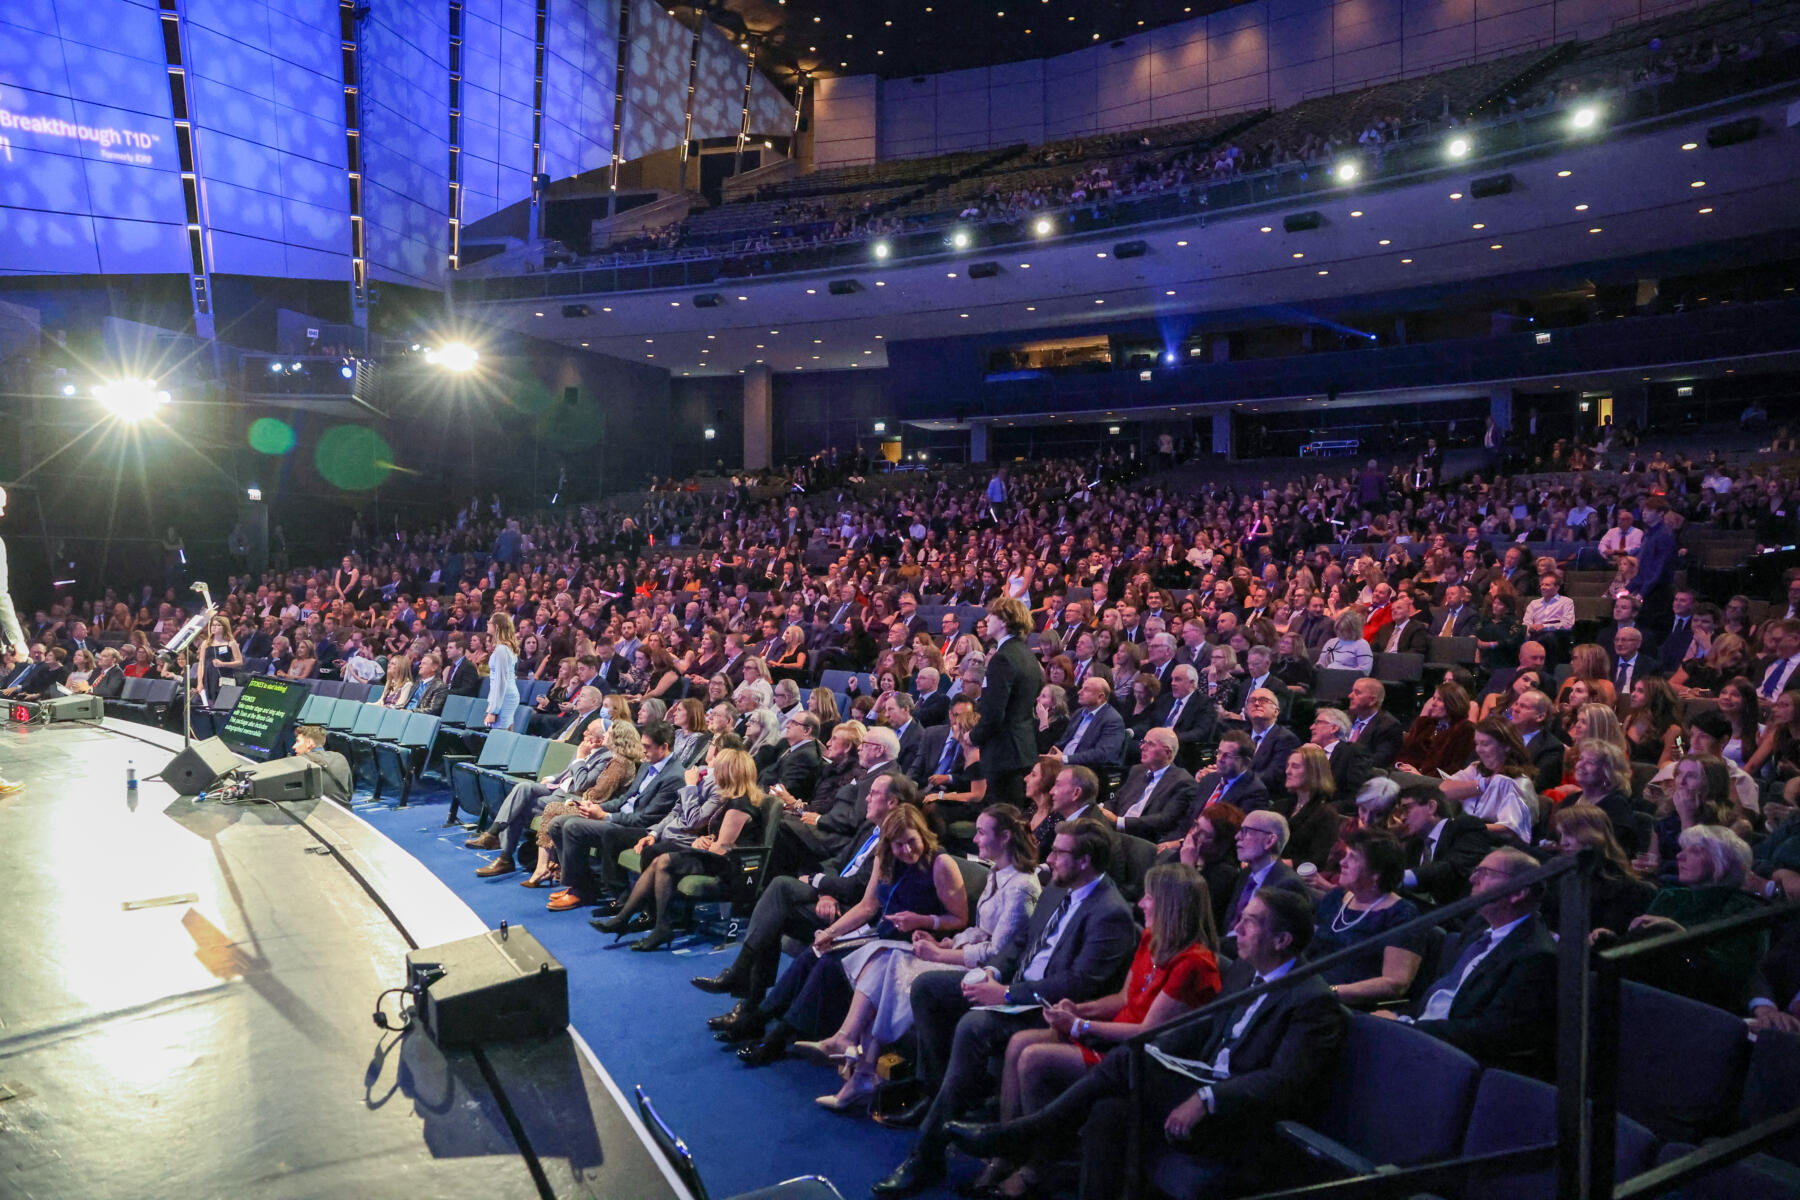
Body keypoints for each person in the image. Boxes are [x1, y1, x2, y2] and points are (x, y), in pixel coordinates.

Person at [935, 888, 1346, 1200]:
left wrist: (1206, 1098)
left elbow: (1282, 1083)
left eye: (1253, 921)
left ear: (1282, 940)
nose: (1237, 925)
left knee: (1119, 1065)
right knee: (1107, 1109)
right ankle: (1025, 1143)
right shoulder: (1244, 971)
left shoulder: (1312, 1000)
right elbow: (1198, 1029)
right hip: (1195, 1078)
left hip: (1237, 1113)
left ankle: (1019, 1136)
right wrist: (1152, 1048)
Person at [870, 819, 1137, 1194]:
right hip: (1012, 987)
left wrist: (1007, 995)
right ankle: (935, 1095)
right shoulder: (1056, 890)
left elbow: (1077, 985)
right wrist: (992, 974)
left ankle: (926, 1155)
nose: (1049, 857)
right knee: (928, 988)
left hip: (1043, 1007)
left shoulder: (1111, 913)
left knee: (973, 1027)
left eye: (1059, 852)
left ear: (1085, 861)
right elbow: (1019, 944)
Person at [972, 864, 1223, 1197]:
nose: (1141, 904)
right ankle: (1005, 1154)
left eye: (1149, 897)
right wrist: (1077, 1009)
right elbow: (1123, 998)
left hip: (1137, 1057)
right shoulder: (1152, 938)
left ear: (1170, 904)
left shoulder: (1193, 963)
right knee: (1018, 1043)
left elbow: (1146, 1031)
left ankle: (1036, 1167)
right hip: (1112, 1034)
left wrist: (1079, 1025)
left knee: (1035, 1057)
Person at [795, 805, 1042, 1107]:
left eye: (980, 832)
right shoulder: (998, 873)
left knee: (886, 958)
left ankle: (855, 1058)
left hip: (989, 974)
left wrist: (939, 947)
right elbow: (978, 932)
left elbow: (997, 954)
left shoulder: (1020, 887)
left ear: (1004, 837)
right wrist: (951, 943)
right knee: (883, 959)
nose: (974, 840)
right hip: (954, 951)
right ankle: (859, 1065)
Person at [745, 802, 970, 1074]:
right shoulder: (884, 858)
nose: (907, 851)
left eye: (911, 842)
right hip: (880, 936)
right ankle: (760, 1016)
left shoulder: (940, 863)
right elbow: (867, 907)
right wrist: (830, 932)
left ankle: (777, 1038)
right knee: (815, 952)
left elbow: (959, 919)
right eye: (899, 845)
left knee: (830, 966)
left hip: (916, 944)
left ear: (922, 834)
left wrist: (922, 920)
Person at [697, 770, 910, 1036]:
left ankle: (743, 983)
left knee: (781, 886)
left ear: (892, 802)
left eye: (874, 793)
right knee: (774, 914)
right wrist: (825, 891)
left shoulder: (897, 842)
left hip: (852, 917)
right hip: (832, 900)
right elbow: (836, 863)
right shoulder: (870, 828)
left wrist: (819, 883)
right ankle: (749, 1004)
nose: (866, 798)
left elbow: (859, 890)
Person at [1377, 847, 1557, 1072]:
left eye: (1485, 873)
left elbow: (1490, 1034)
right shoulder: (1479, 926)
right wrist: (1399, 1017)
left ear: (1518, 892)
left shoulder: (1535, 955)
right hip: (1422, 1030)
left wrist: (1409, 1027)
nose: (1472, 879)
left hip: (1453, 1057)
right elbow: (1440, 990)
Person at [594, 742, 769, 951]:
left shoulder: (740, 805)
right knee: (660, 860)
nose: (714, 773)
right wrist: (704, 840)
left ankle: (645, 923)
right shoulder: (734, 800)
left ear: (729, 772)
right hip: (718, 857)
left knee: (664, 860)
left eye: (718, 769)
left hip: (730, 865)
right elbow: (720, 838)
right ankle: (639, 921)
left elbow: (724, 847)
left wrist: (701, 843)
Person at [1603, 824, 1767, 1012]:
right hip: (1643, 989)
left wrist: (1680, 934)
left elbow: (1736, 973)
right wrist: (1613, 939)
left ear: (1722, 860)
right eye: (1682, 850)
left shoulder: (1746, 907)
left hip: (1699, 1002)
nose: (1679, 856)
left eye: (1695, 851)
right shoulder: (1672, 897)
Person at [466, 722, 613, 876]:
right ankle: (493, 834)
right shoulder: (582, 748)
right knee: (523, 787)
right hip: (556, 788)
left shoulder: (605, 757)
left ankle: (504, 855)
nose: (584, 734)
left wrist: (581, 758)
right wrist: (551, 777)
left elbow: (581, 783)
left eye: (588, 732)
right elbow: (566, 773)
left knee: (519, 807)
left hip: (569, 797)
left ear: (599, 739)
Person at [1309, 829, 1425, 1004]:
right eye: (1345, 855)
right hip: (1310, 990)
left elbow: (1394, 984)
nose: (1342, 862)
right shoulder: (1335, 898)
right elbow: (1309, 947)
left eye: (1353, 858)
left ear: (1376, 873)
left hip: (1346, 1004)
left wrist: (1330, 992)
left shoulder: (1402, 915)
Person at [970, 597, 1045, 809]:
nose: (986, 619)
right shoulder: (1027, 655)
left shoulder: (1003, 658)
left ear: (1004, 620)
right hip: (1022, 749)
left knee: (1003, 820)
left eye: (991, 615)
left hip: (1004, 753)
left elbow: (994, 713)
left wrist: (973, 736)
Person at [1542, 804, 1656, 937]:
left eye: (1570, 834)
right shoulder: (1555, 877)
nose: (1563, 842)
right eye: (1561, 835)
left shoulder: (1628, 888)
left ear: (1593, 834)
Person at [1440, 719, 1539, 843]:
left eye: (1485, 744)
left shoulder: (1517, 782)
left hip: (1495, 845)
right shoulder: (1477, 769)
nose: (1478, 750)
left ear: (1506, 746)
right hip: (1469, 837)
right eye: (1477, 744)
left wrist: (1466, 828)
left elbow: (1510, 830)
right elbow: (1443, 790)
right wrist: (1482, 785)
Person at [1398, 784, 1495, 906]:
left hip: (1456, 915)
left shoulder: (1467, 827)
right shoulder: (1414, 843)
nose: (1402, 818)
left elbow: (1453, 867)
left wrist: (1402, 877)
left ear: (1431, 807)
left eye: (1407, 809)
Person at [1281, 744, 1344, 870]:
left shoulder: (1326, 814)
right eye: (1288, 765)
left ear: (1314, 772)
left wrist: (1281, 864)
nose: (1287, 771)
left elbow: (1318, 860)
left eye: (1295, 766)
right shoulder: (1280, 806)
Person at [1395, 681, 1476, 776]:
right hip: (1406, 775)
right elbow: (1405, 752)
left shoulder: (1465, 729)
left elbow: (1455, 767)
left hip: (1435, 783)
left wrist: (1421, 776)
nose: (1433, 703)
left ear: (1453, 703)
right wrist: (1400, 765)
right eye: (1434, 698)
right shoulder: (1423, 723)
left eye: (1439, 700)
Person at [291, 723, 353, 804]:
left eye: (297, 741)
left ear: (309, 743)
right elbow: (349, 794)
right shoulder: (340, 757)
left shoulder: (300, 761)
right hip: (344, 811)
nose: (294, 746)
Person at [483, 613, 521, 727]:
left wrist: (494, 710)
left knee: (501, 733)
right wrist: (491, 704)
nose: (487, 624)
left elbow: (501, 682)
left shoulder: (502, 650)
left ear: (497, 626)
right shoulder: (501, 648)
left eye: (489, 622)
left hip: (505, 696)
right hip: (502, 696)